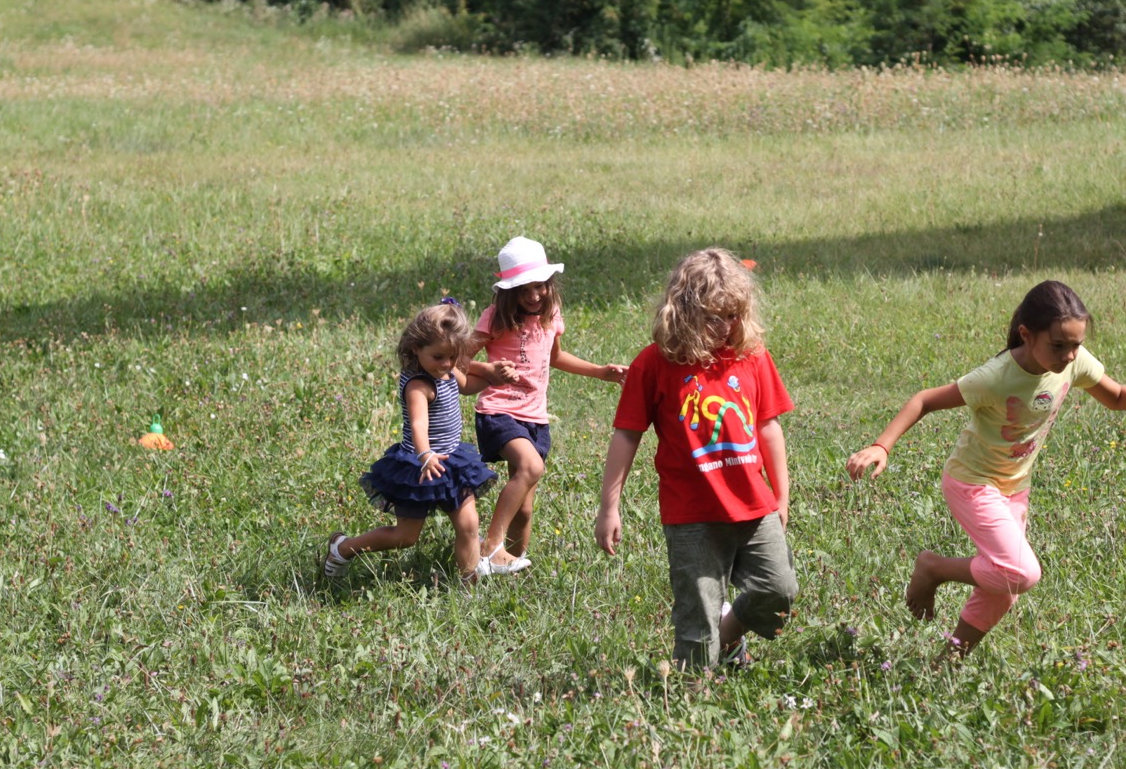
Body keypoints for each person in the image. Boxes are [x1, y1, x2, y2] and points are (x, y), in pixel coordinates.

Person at [845, 280, 1126, 659]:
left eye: (1076, 345)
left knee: (1003, 589)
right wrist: (881, 445)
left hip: (1014, 487)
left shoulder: (1073, 361)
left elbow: (1118, 396)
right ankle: (933, 568)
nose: (1069, 355)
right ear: (1027, 335)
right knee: (1019, 572)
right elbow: (924, 400)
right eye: (1058, 346)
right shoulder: (996, 377)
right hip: (971, 482)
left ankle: (948, 663)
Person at [595, 247, 797, 669]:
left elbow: (768, 426)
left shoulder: (751, 356)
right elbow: (626, 435)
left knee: (779, 591)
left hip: (754, 506)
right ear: (683, 312)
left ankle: (729, 634)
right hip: (691, 515)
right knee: (697, 621)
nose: (725, 327)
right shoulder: (654, 364)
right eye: (712, 317)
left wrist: (782, 496)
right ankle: (691, 695)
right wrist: (609, 508)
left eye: (733, 316)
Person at [470, 237, 628, 574]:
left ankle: (509, 568)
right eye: (523, 289)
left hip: (535, 418)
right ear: (508, 292)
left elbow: (555, 356)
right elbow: (457, 358)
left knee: (525, 510)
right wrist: (487, 369)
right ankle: (490, 548)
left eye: (539, 286)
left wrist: (600, 372)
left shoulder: (550, 315)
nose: (533, 295)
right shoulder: (495, 318)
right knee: (531, 467)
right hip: (499, 411)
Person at [323, 300, 502, 582]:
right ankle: (343, 548)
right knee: (405, 536)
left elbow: (467, 385)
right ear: (416, 348)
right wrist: (425, 454)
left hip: (452, 461)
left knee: (469, 524)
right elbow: (419, 425)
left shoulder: (447, 370)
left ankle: (469, 585)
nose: (447, 364)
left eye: (453, 356)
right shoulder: (419, 385)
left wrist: (494, 378)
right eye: (438, 356)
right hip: (420, 465)